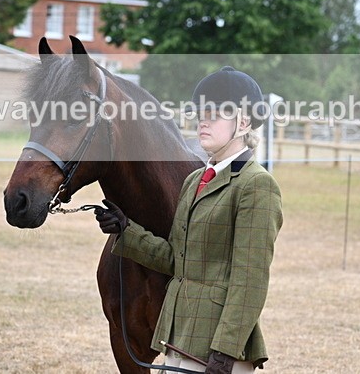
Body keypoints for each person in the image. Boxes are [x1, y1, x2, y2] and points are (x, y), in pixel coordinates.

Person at [95, 66, 284, 373]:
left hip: (219, 353)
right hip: (179, 339)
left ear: (244, 121)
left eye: (215, 113)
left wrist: (224, 352)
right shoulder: (195, 180)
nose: (203, 121)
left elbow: (250, 280)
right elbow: (177, 259)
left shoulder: (257, 185)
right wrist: (126, 232)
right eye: (200, 113)